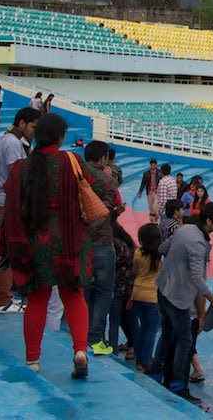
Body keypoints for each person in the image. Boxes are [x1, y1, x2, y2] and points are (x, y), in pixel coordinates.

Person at [0, 113, 91, 377]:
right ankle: (80, 350)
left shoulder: (21, 169)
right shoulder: (72, 162)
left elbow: (12, 210)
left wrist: (4, 248)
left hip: (35, 243)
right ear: (60, 137)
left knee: (37, 298)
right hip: (70, 242)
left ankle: (33, 360)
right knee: (73, 295)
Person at [156, 201, 213, 402]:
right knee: (185, 341)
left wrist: (175, 264)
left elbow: (162, 248)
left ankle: (163, 377)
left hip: (163, 289)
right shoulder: (198, 244)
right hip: (178, 298)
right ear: (208, 221)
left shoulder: (185, 228)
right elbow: (198, 278)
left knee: (170, 335)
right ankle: (179, 387)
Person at [0, 106, 40, 314]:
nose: (34, 131)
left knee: (3, 249)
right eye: (33, 126)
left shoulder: (8, 139)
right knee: (7, 251)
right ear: (22, 123)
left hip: (5, 200)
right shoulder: (11, 142)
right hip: (7, 201)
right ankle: (2, 299)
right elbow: (16, 174)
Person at [83, 140, 121, 356]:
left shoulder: (77, 174)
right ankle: (95, 338)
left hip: (82, 241)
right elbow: (106, 210)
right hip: (102, 242)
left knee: (85, 289)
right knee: (104, 291)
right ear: (104, 157)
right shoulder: (107, 181)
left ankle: (82, 331)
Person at [129, 223, 163, 373]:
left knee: (142, 327)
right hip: (153, 296)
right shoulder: (160, 256)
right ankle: (145, 361)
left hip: (137, 293)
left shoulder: (138, 253)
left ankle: (139, 357)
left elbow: (134, 271)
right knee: (151, 330)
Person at [110, 216, 137, 355]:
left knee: (114, 319)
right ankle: (134, 345)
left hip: (117, 287)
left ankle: (113, 349)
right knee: (128, 317)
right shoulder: (128, 243)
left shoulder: (114, 244)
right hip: (130, 286)